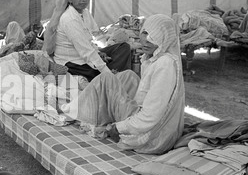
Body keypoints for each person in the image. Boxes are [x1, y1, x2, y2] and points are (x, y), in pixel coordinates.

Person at [61, 14, 185, 155]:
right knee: (128, 75)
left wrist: (117, 128)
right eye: (145, 33)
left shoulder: (165, 63)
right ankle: (86, 108)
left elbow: (151, 116)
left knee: (107, 79)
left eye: (154, 37)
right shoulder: (156, 58)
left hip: (152, 138)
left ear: (166, 39)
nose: (146, 40)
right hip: (149, 123)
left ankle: (71, 112)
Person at [43, 0, 131, 82]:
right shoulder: (69, 19)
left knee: (123, 47)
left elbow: (93, 36)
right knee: (100, 69)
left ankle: (109, 73)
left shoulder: (84, 13)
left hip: (85, 55)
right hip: (73, 63)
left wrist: (98, 52)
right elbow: (86, 51)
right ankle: (109, 77)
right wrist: (107, 73)